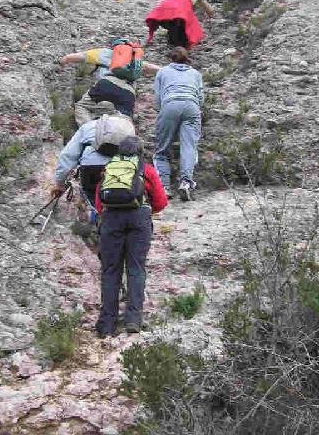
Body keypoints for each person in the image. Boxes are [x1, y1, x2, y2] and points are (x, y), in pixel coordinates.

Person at [94, 136, 168, 337]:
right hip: (139, 220)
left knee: (110, 270)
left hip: (111, 221)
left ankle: (107, 323)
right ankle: (133, 319)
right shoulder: (147, 170)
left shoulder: (109, 168)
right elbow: (161, 202)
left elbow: (99, 204)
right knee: (136, 269)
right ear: (140, 152)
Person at [50, 102, 133, 222]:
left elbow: (68, 155)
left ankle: (98, 226)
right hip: (119, 167)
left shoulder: (88, 126)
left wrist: (59, 183)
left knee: (93, 199)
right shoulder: (125, 127)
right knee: (119, 198)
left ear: (95, 114)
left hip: (91, 167)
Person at [59, 39, 160, 126]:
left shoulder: (104, 53)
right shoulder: (135, 61)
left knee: (82, 106)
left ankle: (88, 130)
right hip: (128, 92)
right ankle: (121, 141)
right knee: (125, 121)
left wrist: (62, 61)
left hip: (106, 84)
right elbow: (152, 68)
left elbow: (76, 57)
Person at [153, 47, 204, 201]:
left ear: (170, 58)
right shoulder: (196, 74)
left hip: (170, 104)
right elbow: (201, 98)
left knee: (162, 149)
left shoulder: (162, 71)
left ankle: (164, 186)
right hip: (192, 106)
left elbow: (158, 98)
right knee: (189, 147)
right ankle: (186, 183)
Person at [145, 0, 215, 48]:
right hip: (182, 9)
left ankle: (173, 41)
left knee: (172, 23)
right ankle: (181, 46)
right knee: (189, 28)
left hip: (165, 9)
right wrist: (212, 17)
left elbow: (171, 1)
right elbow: (210, 10)